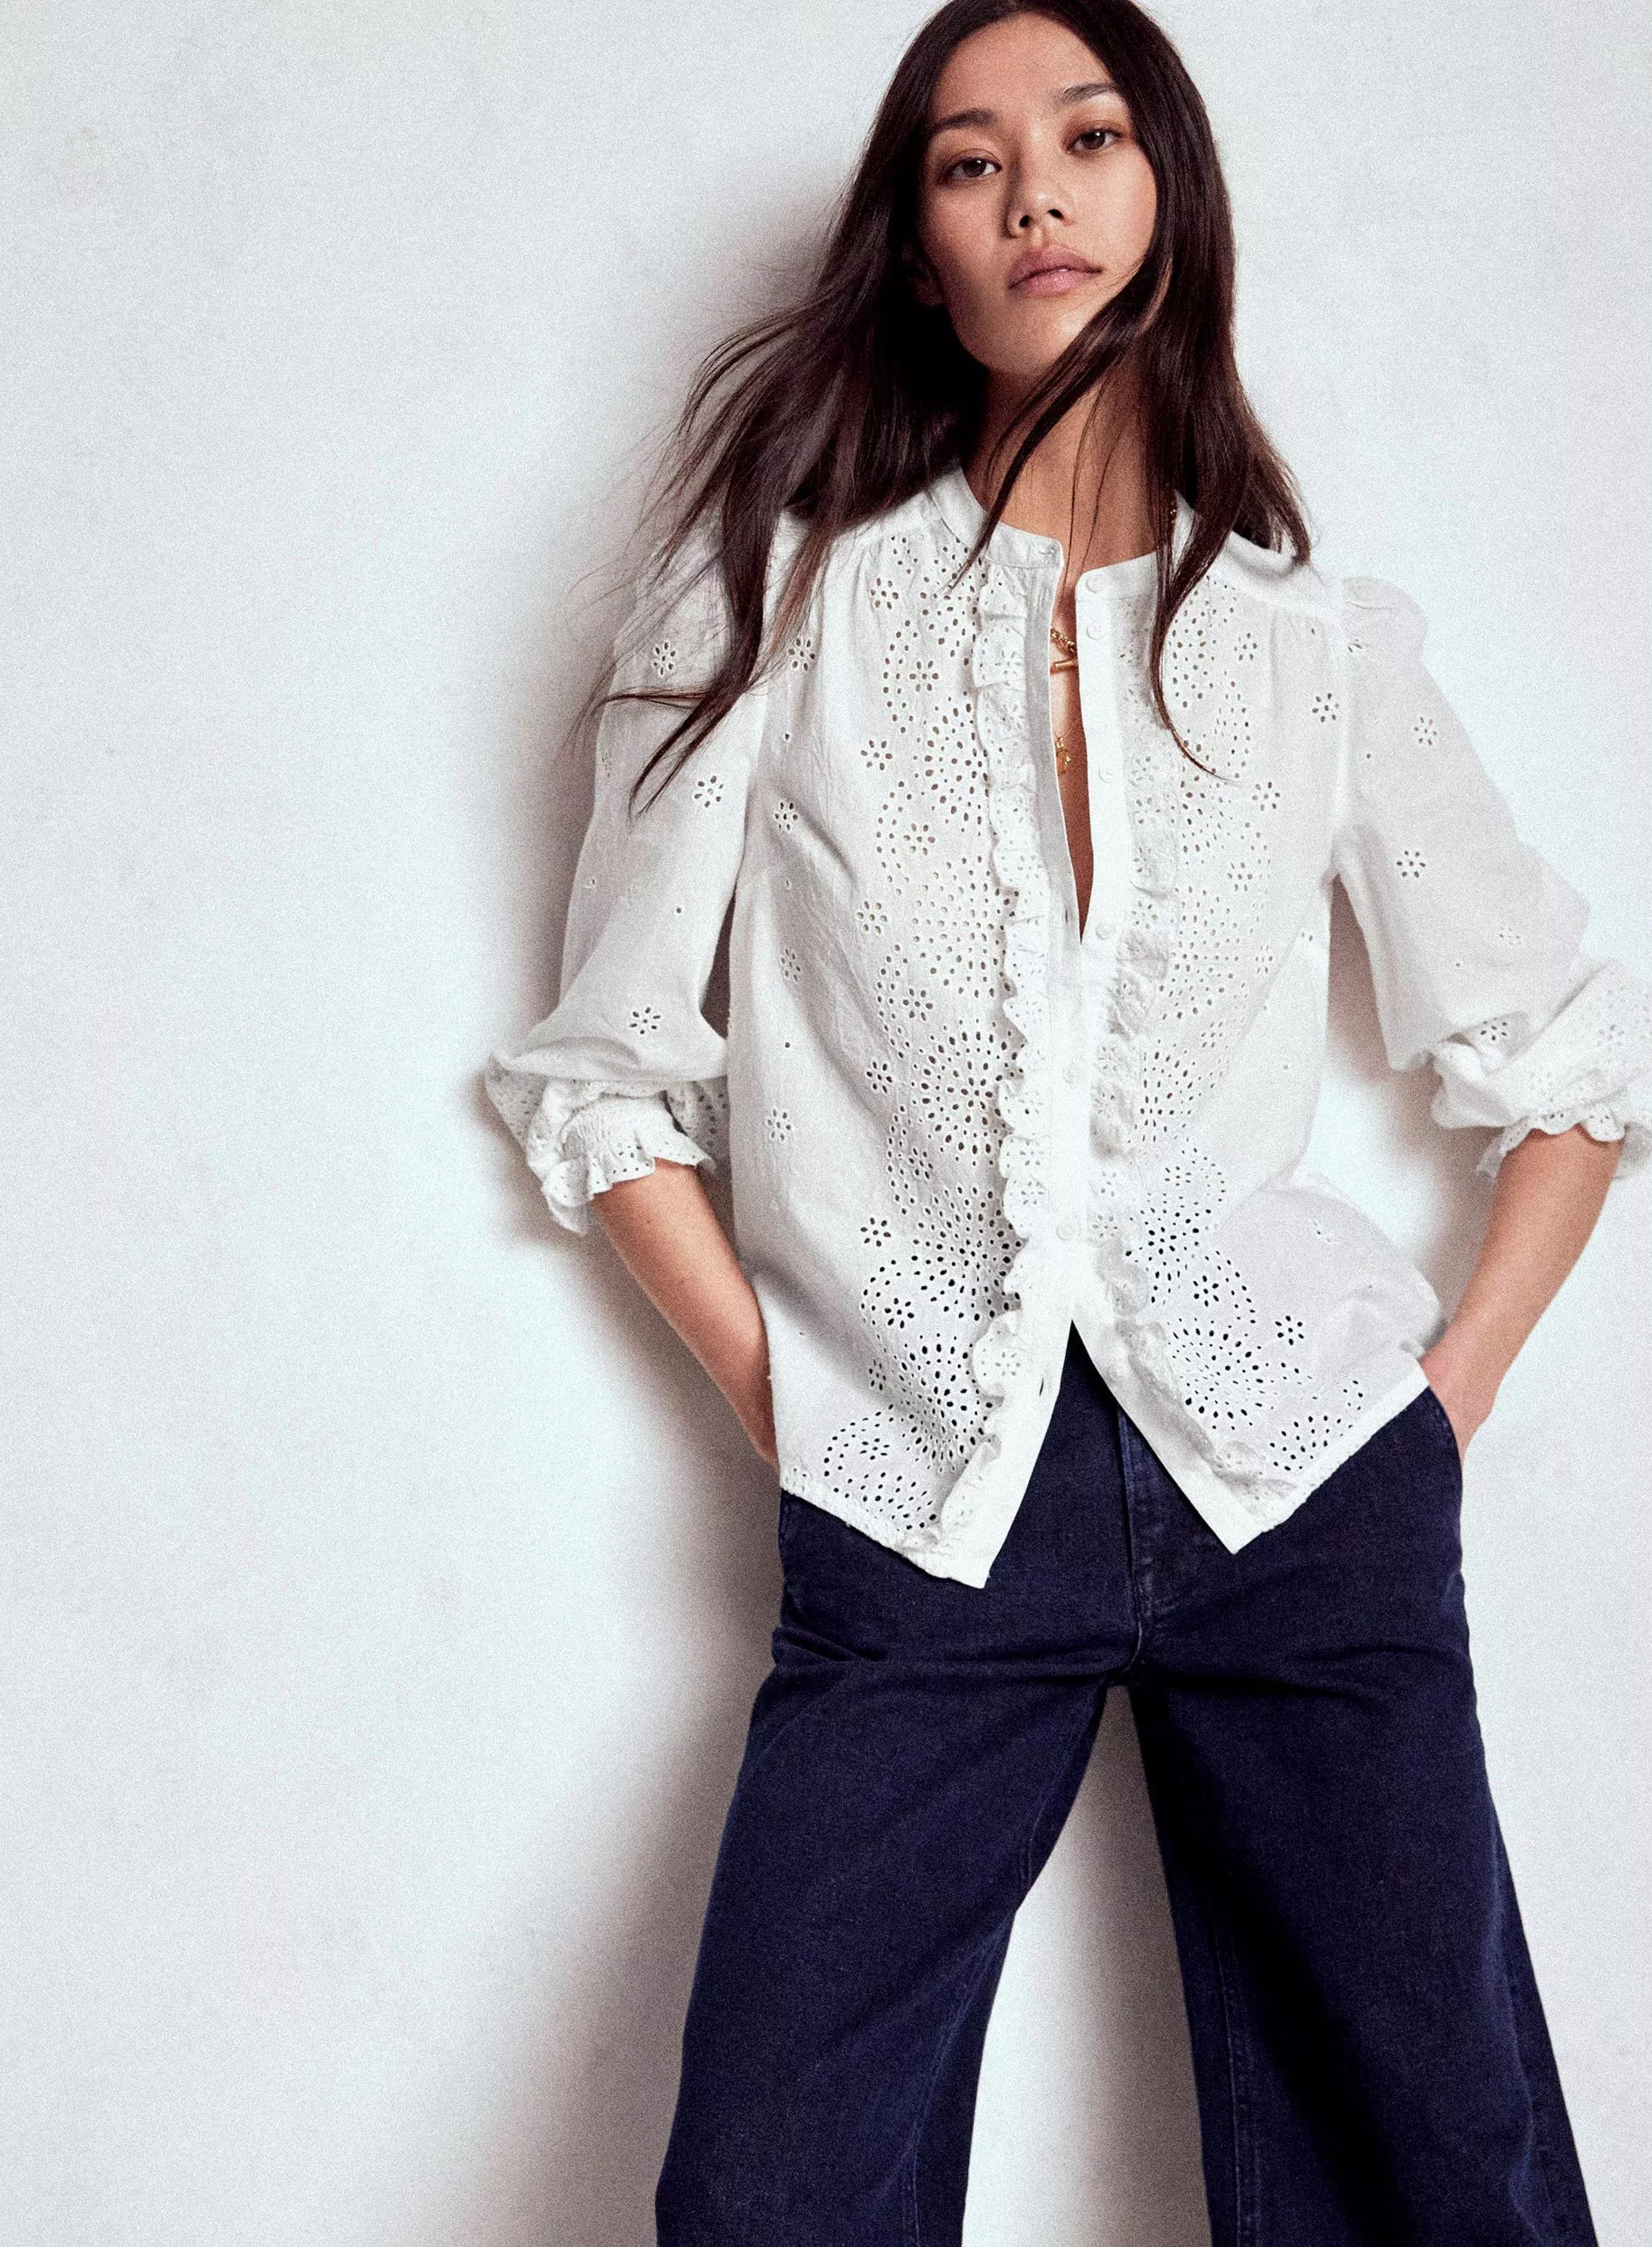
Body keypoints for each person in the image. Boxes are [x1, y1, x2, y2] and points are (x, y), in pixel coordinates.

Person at [484, 4, 1650, 2240]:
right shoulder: (776, 606)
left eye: (1090, 136)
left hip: (1295, 1475)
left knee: (1436, 2171)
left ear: (1167, 197)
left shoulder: (1312, 642)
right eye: (967, 159)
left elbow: (1565, 1063)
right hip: (919, 1501)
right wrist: (791, 1397)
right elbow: (610, 1077)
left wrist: (1439, 1410)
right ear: (919, 248)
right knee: (771, 2190)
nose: (1034, 191)